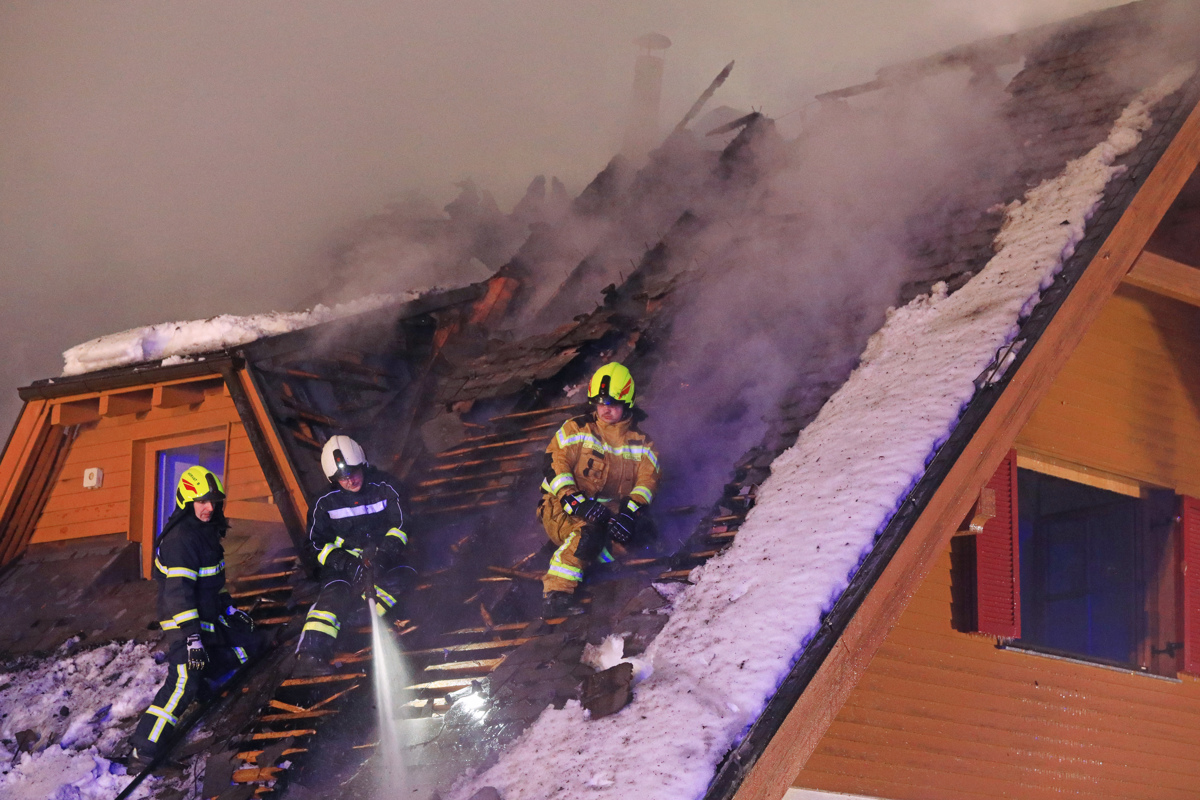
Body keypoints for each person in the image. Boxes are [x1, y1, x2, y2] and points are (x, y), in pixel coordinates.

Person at [128, 466, 260, 767]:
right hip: (184, 623)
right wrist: (192, 639)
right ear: (187, 502)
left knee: (247, 645)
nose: (209, 508)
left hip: (205, 618)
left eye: (213, 501)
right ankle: (143, 750)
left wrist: (230, 610)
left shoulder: (205, 533)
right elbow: (178, 594)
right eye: (201, 502)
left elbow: (212, 582)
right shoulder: (182, 540)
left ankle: (204, 686)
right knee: (183, 678)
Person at [538, 362, 661, 617]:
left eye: (613, 404)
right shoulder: (576, 430)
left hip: (606, 510)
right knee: (589, 533)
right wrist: (575, 501)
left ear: (627, 403)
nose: (605, 409)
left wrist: (629, 514)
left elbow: (646, 483)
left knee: (642, 533)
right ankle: (557, 593)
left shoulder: (643, 445)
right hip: (561, 508)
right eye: (600, 403)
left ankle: (593, 561)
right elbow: (554, 465)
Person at [294, 435, 413, 677]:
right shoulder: (324, 503)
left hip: (383, 560)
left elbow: (401, 525)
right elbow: (314, 545)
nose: (350, 479)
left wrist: (384, 556)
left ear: (363, 465)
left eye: (353, 472)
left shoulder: (386, 487)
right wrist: (345, 563)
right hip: (342, 567)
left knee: (403, 578)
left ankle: (352, 624)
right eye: (342, 476)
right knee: (332, 598)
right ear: (332, 478)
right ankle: (310, 654)